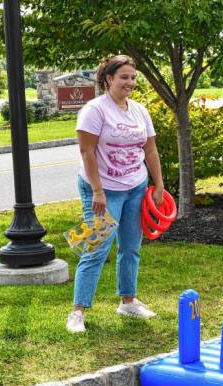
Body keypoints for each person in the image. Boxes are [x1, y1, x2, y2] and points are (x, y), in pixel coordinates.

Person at [66, 54, 165, 333]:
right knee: (96, 248)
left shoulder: (139, 111)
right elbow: (86, 151)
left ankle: (128, 301)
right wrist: (97, 191)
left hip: (135, 186)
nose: (130, 83)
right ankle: (78, 312)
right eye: (124, 77)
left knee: (131, 247)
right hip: (102, 190)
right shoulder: (95, 110)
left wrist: (158, 184)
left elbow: (150, 149)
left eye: (133, 78)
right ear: (108, 79)